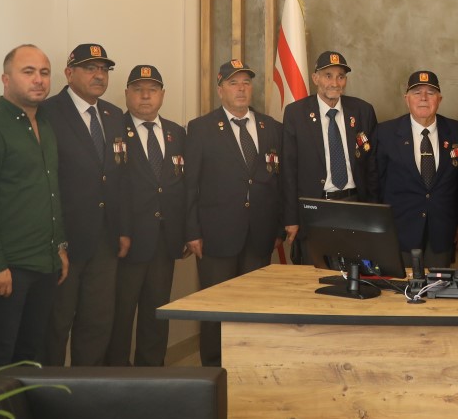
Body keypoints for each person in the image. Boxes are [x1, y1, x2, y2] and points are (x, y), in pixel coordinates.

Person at [0, 45, 68, 366]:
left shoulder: (46, 125)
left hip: (46, 262)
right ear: (5, 79)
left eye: (44, 72)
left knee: (30, 354)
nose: (38, 79)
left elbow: (51, 192)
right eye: (28, 72)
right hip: (9, 267)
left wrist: (59, 246)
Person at [185, 59, 283, 365]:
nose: (241, 89)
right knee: (215, 307)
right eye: (233, 83)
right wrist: (192, 232)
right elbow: (190, 186)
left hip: (259, 235)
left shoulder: (271, 127)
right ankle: (213, 370)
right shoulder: (201, 129)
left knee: (254, 307)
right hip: (216, 237)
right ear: (220, 90)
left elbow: (280, 182)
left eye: (245, 83)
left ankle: (249, 366)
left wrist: (279, 228)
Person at [42, 43, 132, 366]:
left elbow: (120, 177)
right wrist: (55, 240)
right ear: (69, 73)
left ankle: (87, 387)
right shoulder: (48, 112)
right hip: (65, 240)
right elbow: (46, 181)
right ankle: (52, 389)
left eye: (104, 69)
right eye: (90, 68)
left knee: (97, 322)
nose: (99, 75)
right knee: (56, 323)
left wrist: (122, 229)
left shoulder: (113, 115)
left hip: (105, 241)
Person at [108, 64, 188, 366]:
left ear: (162, 95)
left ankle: (152, 375)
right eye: (138, 89)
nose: (145, 96)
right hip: (126, 242)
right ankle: (116, 376)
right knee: (120, 316)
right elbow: (111, 187)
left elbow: (183, 187)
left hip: (164, 242)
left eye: (152, 90)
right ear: (127, 93)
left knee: (157, 314)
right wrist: (120, 230)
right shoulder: (114, 129)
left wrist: (184, 232)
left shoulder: (176, 133)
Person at [281, 50, 378, 262]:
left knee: (354, 271)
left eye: (340, 76)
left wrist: (374, 212)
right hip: (315, 208)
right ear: (315, 78)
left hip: (354, 205)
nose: (335, 83)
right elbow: (288, 170)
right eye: (328, 75)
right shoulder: (296, 113)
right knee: (314, 272)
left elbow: (372, 166)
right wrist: (291, 218)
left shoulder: (362, 111)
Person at [373, 71, 458, 268]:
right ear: (406, 99)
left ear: (440, 99)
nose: (423, 98)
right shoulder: (385, 133)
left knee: (438, 285)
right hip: (399, 232)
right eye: (417, 92)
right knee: (400, 286)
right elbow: (376, 183)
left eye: (430, 93)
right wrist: (378, 226)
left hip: (442, 232)